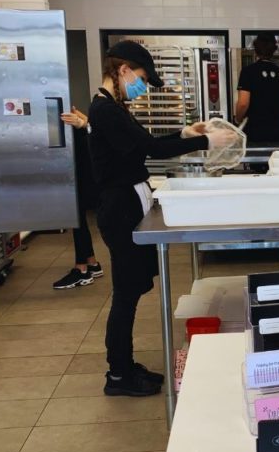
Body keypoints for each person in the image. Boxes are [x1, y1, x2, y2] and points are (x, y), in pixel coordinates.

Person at [88, 40, 236, 396]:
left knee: (134, 288)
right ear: (122, 71)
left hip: (126, 202)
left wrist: (186, 133)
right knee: (126, 293)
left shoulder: (113, 107)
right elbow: (152, 149)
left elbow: (144, 143)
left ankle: (124, 365)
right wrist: (204, 144)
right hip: (118, 206)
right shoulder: (105, 110)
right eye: (140, 77)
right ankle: (118, 376)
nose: (141, 86)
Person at [52, 106, 104, 290]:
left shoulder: (74, 121)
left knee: (77, 220)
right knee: (78, 219)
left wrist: (84, 123)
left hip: (83, 176)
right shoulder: (79, 122)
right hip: (88, 175)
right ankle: (91, 263)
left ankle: (81, 269)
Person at [235, 33, 279, 143]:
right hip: (277, 129)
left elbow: (243, 103)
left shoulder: (248, 71)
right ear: (273, 50)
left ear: (256, 49)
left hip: (255, 130)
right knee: (274, 159)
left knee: (256, 158)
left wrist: (237, 119)